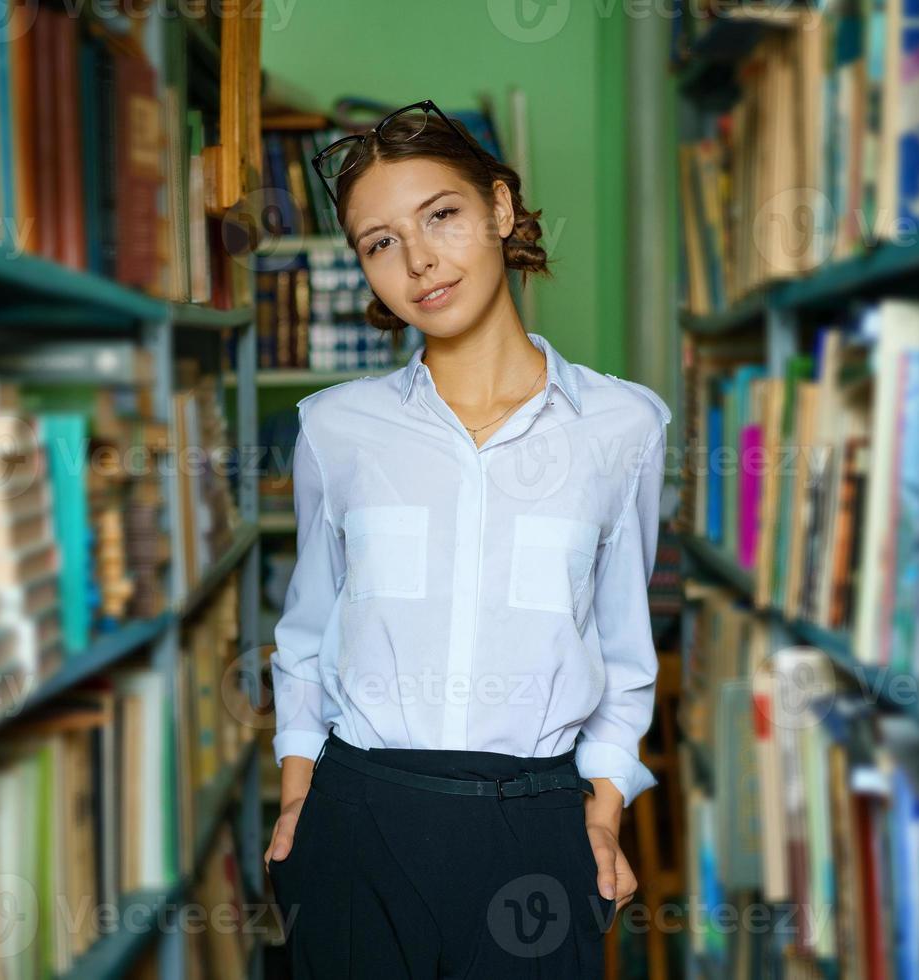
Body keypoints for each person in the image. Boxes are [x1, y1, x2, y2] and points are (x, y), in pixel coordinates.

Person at [262, 99, 670, 978]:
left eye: (439, 215)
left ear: (498, 208)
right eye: (379, 242)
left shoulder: (623, 425)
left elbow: (623, 645)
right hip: (357, 818)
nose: (417, 261)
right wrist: (297, 796)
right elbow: (306, 632)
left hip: (534, 822)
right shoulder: (335, 428)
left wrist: (600, 811)